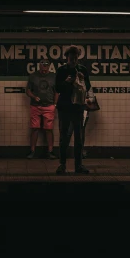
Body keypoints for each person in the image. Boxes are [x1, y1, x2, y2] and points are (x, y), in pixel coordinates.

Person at [55, 46, 91, 174]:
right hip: (64, 107)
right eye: (71, 58)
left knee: (79, 137)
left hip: (77, 107)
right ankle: (62, 164)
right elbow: (57, 88)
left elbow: (88, 86)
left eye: (76, 58)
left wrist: (82, 79)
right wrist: (66, 82)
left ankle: (78, 165)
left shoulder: (82, 69)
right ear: (67, 57)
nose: (74, 60)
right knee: (64, 136)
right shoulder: (61, 70)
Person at [26, 58, 58, 159]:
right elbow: (28, 91)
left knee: (48, 129)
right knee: (34, 128)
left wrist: (55, 104)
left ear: (49, 66)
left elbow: (57, 91)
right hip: (35, 106)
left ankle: (50, 151)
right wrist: (34, 96)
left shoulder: (54, 76)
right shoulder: (33, 76)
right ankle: (32, 151)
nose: (44, 70)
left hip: (49, 106)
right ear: (39, 66)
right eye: (42, 67)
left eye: (46, 67)